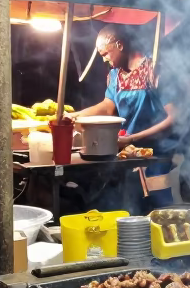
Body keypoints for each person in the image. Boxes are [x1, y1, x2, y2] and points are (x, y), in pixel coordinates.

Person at [74, 24, 178, 208]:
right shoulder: (115, 75)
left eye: (106, 54)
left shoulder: (154, 70)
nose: (105, 60)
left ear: (119, 45)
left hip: (158, 155)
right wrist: (75, 116)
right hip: (128, 155)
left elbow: (173, 118)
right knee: (126, 208)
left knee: (159, 209)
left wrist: (133, 138)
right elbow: (108, 107)